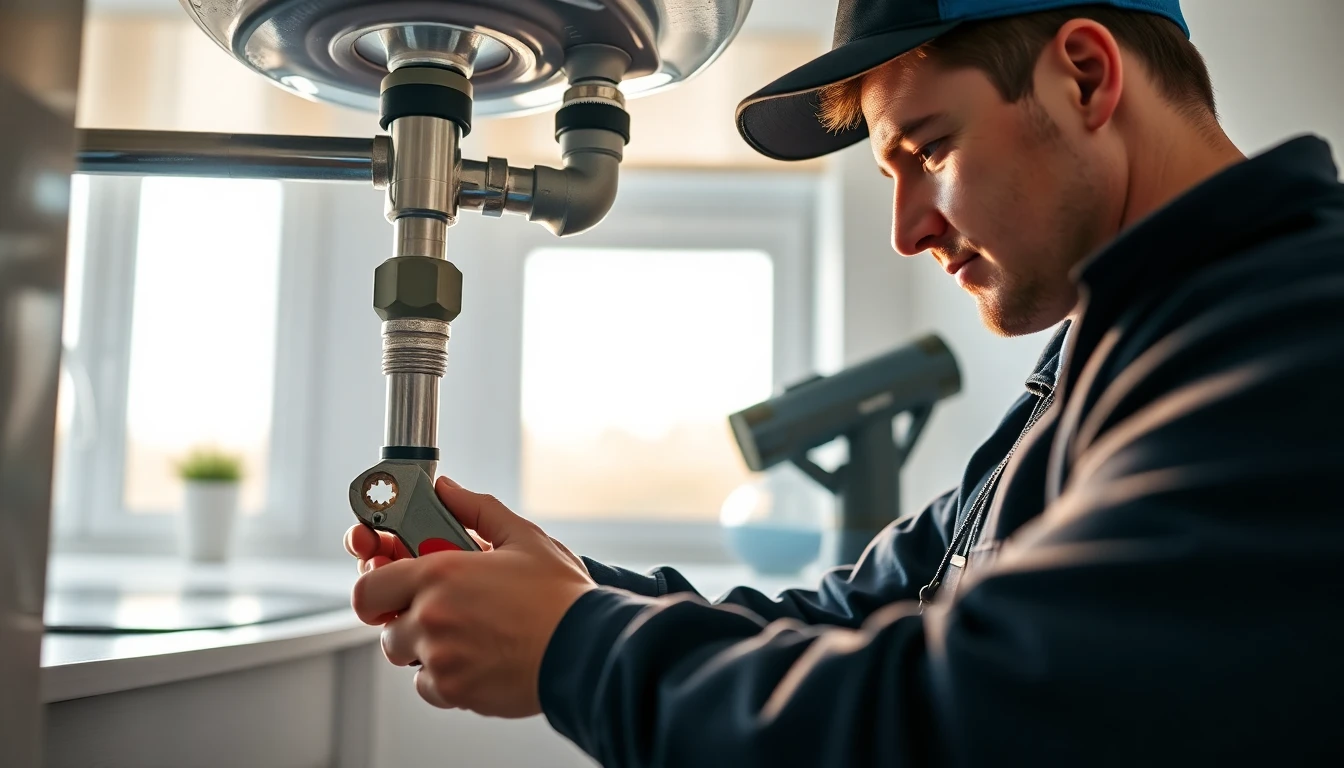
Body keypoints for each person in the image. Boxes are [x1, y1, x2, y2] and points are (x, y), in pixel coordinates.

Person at [344, 0, 1344, 764]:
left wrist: (575, 648)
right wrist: (559, 589)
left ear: (1085, 77)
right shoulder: (1107, 352)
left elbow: (970, 723)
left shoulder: (1298, 327)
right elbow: (850, 618)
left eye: (932, 150)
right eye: (889, 176)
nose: (909, 230)